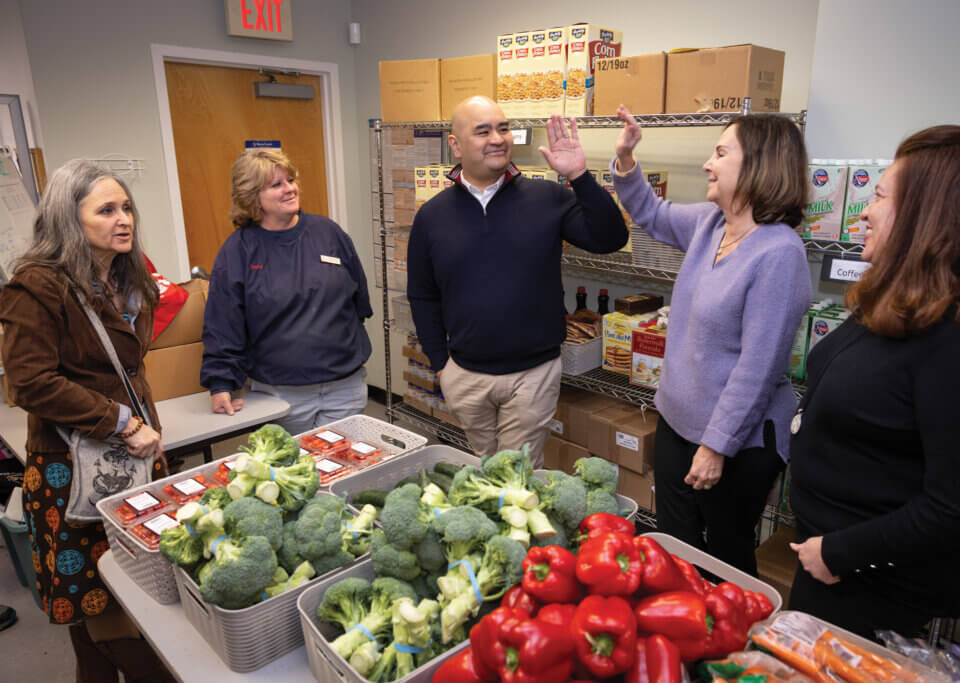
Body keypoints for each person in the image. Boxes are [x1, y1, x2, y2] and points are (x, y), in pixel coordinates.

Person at [787, 125, 960, 639]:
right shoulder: (902, 301)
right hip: (830, 566)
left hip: (870, 586)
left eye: (878, 196)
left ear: (928, 219)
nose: (866, 212)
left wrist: (839, 553)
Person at [612, 106, 812, 575]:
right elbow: (650, 212)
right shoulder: (711, 223)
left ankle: (728, 643)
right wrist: (625, 159)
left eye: (721, 152)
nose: (708, 163)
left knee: (723, 558)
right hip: (678, 422)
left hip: (735, 442)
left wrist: (716, 446)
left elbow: (758, 368)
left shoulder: (780, 254)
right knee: (676, 545)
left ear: (759, 166)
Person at [0, 160, 174, 680]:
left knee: (97, 622)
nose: (124, 219)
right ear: (69, 221)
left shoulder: (125, 275)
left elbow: (124, 366)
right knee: (112, 611)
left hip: (131, 457)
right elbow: (29, 383)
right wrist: (122, 422)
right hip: (72, 472)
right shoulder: (36, 287)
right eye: (106, 210)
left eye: (126, 208)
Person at [407, 96, 628, 465]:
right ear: (456, 145)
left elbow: (610, 239)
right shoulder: (432, 216)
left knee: (517, 476)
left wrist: (579, 176)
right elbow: (423, 294)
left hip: (533, 374)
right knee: (485, 466)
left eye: (503, 128)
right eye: (483, 131)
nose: (497, 138)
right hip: (464, 374)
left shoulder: (547, 198)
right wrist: (440, 364)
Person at [201, 148, 372, 435]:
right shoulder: (239, 250)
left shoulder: (328, 233)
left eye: (290, 180)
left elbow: (359, 300)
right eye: (276, 185)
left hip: (345, 386)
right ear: (252, 197)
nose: (289, 189)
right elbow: (223, 324)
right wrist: (221, 382)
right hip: (281, 395)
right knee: (294, 473)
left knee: (346, 468)